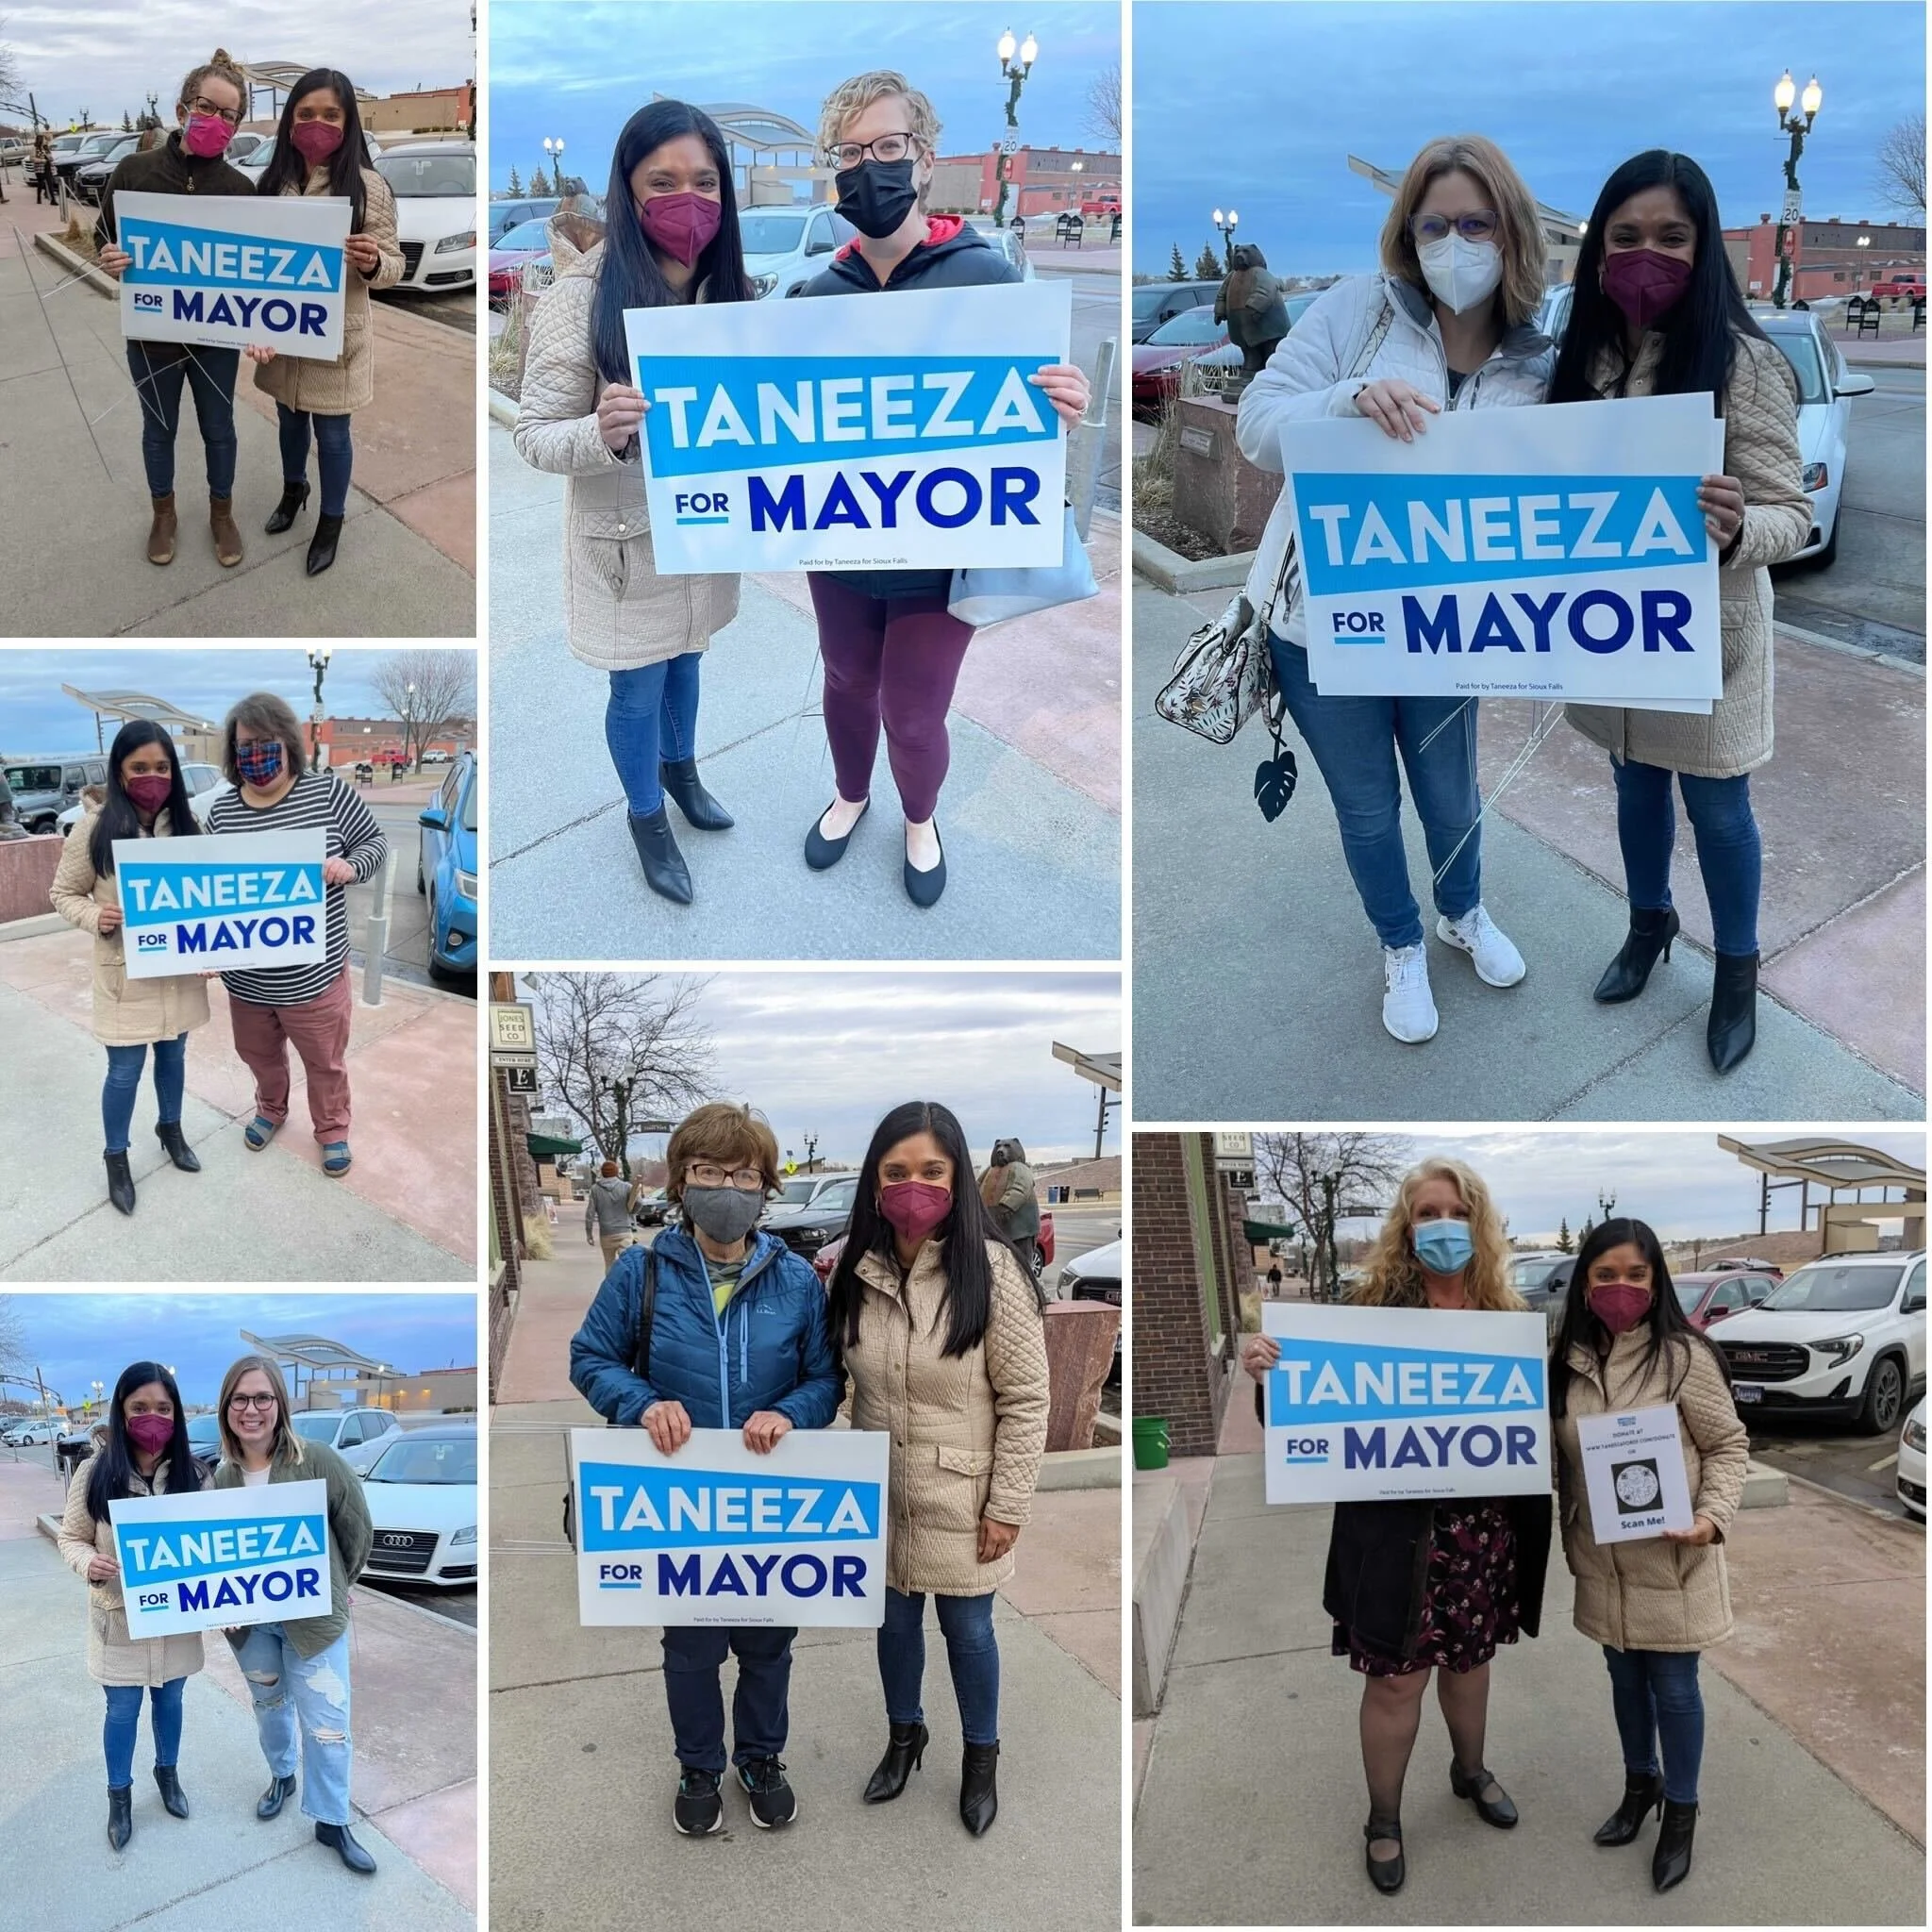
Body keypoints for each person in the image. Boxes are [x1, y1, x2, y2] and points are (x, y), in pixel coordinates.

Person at [1237, 136, 1557, 1044]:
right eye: (1434, 224)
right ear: (1406, 233)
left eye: (1475, 223)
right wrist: (1343, 401)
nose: (1454, 242)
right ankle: (1401, 945)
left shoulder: (1541, 360)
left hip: (1452, 628)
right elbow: (1259, 423)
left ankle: (1464, 912)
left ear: (1510, 232)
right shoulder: (1355, 313)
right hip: (1321, 624)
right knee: (1369, 806)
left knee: (1451, 795)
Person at [797, 72, 1090, 908]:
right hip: (839, 539)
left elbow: (1030, 417)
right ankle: (852, 796)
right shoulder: (817, 296)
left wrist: (1060, 409)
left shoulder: (989, 283)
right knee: (847, 682)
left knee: (915, 713)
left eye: (888, 147)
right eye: (850, 153)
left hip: (944, 556)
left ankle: (919, 818)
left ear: (925, 160)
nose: (869, 166)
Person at [1553, 152, 1812, 1074]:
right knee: (1631, 784)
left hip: (1704, 638)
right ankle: (1647, 922)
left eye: (1669, 236)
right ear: (1596, 250)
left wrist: (1740, 524)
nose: (1644, 255)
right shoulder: (1584, 356)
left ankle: (1734, 970)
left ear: (1702, 247)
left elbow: (1793, 509)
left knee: (1717, 806)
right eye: (1623, 238)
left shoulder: (1742, 361)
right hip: (1609, 632)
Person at [1241, 1156, 1552, 1894]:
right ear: (1406, 1231)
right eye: (1426, 1214)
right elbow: (1303, 1420)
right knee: (1395, 1684)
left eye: (1454, 1212)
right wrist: (1268, 1375)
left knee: (1471, 1666)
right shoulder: (1367, 1319)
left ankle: (1469, 1771)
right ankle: (1383, 1819)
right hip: (1397, 1542)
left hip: (1483, 1537)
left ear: (1478, 1225)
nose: (1442, 1226)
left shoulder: (1508, 1324)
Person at [569, 1102, 841, 1835]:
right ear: (682, 1182)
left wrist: (791, 1413)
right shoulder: (640, 1273)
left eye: (743, 1173)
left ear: (765, 1186)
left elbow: (825, 1379)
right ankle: (698, 1763)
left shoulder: (794, 1283)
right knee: (691, 1649)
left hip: (768, 1497)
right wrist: (641, 1402)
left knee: (766, 1642)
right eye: (710, 1171)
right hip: (679, 1498)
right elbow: (589, 1358)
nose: (728, 1186)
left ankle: (759, 1757)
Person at [513, 101, 753, 908]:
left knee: (690, 661)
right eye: (664, 181)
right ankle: (645, 817)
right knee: (637, 691)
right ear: (628, 187)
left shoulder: (730, 292)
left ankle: (682, 776)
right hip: (626, 543)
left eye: (704, 181)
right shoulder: (581, 296)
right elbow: (536, 434)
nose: (688, 198)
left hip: (705, 529)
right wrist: (602, 433)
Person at [826, 1101, 1050, 1837]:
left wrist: (1007, 1505)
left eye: (930, 1170)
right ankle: (904, 1736)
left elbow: (1026, 1398)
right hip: (878, 1494)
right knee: (893, 1627)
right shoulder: (856, 1270)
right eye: (896, 1172)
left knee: (969, 1632)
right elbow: (844, 1381)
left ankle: (980, 1760)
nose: (912, 1186)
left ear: (958, 1176)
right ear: (874, 1180)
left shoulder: (992, 1272)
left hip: (964, 1494)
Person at [1549, 1217, 1748, 1893]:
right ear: (1584, 1284)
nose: (1621, 1287)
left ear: (1656, 1279)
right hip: (1603, 1562)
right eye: (1605, 1275)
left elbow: (1728, 1446)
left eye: (1636, 1274)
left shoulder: (1683, 1357)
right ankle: (1642, 1787)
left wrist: (1711, 1518)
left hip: (1673, 1557)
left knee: (1674, 1687)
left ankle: (1682, 1813)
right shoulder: (1567, 1360)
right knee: (1623, 1679)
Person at [204, 692, 388, 1177]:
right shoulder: (221, 815)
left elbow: (375, 843)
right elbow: (206, 892)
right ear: (232, 750)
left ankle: (332, 1130)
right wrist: (200, 943)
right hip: (246, 983)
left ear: (289, 742)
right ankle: (270, 1109)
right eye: (245, 745)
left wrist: (350, 866)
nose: (256, 754)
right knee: (259, 1057)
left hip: (315, 979)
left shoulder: (328, 793)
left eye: (266, 743)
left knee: (325, 1064)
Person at [211, 1353, 376, 1872]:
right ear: (226, 1408)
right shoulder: (222, 1478)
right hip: (253, 1625)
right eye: (241, 1398)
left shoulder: (318, 1461)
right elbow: (217, 1554)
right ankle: (282, 1774)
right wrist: (224, 1605)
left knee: (328, 1726)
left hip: (314, 1624)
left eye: (263, 1397)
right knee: (270, 1710)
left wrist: (335, 1585)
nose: (251, 1409)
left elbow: (357, 1530)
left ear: (280, 1403)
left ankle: (332, 1820)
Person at [94, 53, 256, 569]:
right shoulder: (134, 172)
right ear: (183, 108)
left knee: (220, 429)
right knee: (158, 429)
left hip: (216, 340)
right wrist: (108, 257)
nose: (219, 120)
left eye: (231, 114)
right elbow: (103, 237)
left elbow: (256, 274)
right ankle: (163, 514)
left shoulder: (240, 190)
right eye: (209, 107)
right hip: (152, 337)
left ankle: (221, 513)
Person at [49, 721, 211, 1217]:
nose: (152, 777)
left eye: (162, 767)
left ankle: (171, 1129)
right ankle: (116, 1158)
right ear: (119, 771)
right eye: (140, 767)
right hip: (125, 973)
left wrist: (215, 948)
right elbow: (62, 894)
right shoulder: (94, 827)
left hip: (178, 972)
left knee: (174, 1055)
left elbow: (210, 901)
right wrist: (96, 916)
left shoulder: (187, 827)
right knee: (124, 1071)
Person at [244, 70, 403, 576]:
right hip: (280, 335)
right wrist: (250, 321)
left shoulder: (368, 188)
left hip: (337, 339)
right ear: (291, 118)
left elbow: (393, 266)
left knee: (333, 437)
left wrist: (373, 261)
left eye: (330, 114)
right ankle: (295, 489)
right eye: (306, 112)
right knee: (289, 420)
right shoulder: (270, 184)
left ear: (348, 121)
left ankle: (331, 522)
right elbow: (250, 261)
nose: (318, 123)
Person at [58, 1361, 208, 1851]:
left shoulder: (196, 1475)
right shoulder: (94, 1472)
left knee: (171, 1702)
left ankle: (168, 1775)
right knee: (121, 1711)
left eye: (163, 1408)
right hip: (118, 1621)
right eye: (140, 1408)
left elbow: (214, 1548)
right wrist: (89, 1562)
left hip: (176, 1620)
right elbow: (71, 1536)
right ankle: (119, 1796)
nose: (152, 1418)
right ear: (121, 1412)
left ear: (177, 1414)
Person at [1216, 242, 1290, 381]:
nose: (1240, 255)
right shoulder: (1232, 277)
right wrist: (1220, 311)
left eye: (1245, 252)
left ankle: (1271, 375)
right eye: (1237, 252)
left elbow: (1266, 291)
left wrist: (1255, 307)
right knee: (1249, 350)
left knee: (1271, 350)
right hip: (1241, 324)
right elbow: (1222, 295)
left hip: (1266, 325)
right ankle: (1250, 371)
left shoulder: (1261, 274)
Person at [980, 1135, 1041, 1277]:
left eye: (1007, 1147)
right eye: (998, 1147)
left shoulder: (1020, 1168)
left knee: (1022, 1267)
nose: (1001, 1150)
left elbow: (1021, 1187)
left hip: (1020, 1229)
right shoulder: (989, 1170)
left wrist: (1006, 1206)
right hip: (994, 1228)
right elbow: (976, 1187)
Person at [584, 1158, 641, 1268]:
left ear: (603, 1173)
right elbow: (639, 1202)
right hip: (624, 1232)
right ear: (616, 1172)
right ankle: (626, 1284)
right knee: (627, 1264)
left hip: (606, 1233)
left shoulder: (595, 1189)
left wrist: (589, 1233)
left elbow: (590, 1213)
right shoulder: (627, 1187)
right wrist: (631, 1212)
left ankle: (611, 1284)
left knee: (609, 1265)